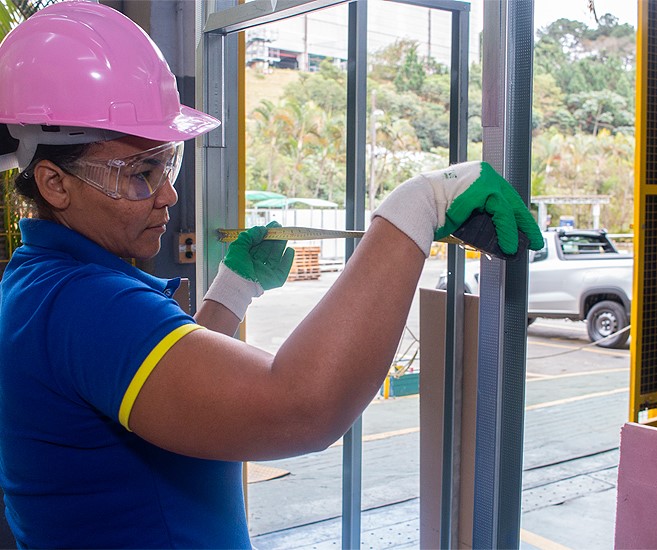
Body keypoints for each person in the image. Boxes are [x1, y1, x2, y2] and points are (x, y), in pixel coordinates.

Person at [0, 2, 544, 548]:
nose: (167, 195)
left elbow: (177, 393)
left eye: (168, 165)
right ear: (54, 183)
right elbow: (301, 408)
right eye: (141, 173)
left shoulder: (40, 286)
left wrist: (232, 291)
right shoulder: (86, 305)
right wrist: (417, 206)